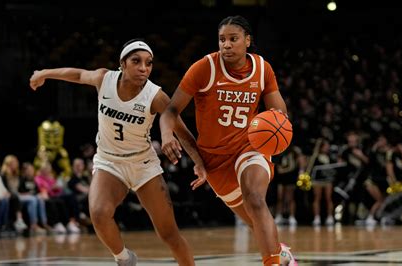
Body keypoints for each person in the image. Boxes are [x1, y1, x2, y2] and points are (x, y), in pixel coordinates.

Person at [29, 38, 204, 266]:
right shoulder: (105, 79)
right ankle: (124, 258)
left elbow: (182, 130)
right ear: (122, 63)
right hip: (109, 161)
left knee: (169, 234)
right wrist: (44, 73)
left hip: (143, 164)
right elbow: (78, 75)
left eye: (149, 63)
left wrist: (198, 162)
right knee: (99, 213)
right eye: (136, 61)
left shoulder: (155, 95)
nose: (143, 68)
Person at [160, 15, 297, 266]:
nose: (226, 45)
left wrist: (277, 127)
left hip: (250, 146)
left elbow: (280, 115)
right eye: (222, 39)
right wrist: (167, 135)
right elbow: (170, 111)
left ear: (247, 41)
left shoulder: (262, 69)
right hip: (214, 160)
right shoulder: (205, 68)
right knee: (252, 220)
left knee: (255, 199)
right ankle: (281, 253)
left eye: (233, 39)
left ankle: (273, 263)